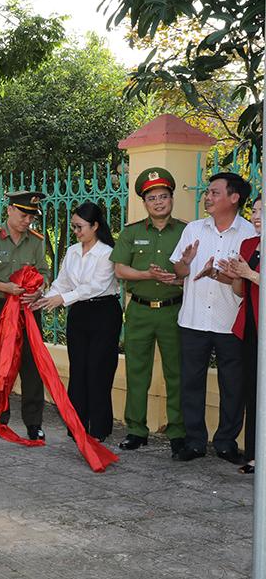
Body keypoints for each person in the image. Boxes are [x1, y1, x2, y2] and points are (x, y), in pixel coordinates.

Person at [170, 172, 255, 463]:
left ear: (234, 198)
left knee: (233, 385)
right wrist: (186, 262)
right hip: (193, 320)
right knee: (191, 382)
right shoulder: (193, 229)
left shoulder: (249, 234)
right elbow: (179, 273)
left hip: (229, 321)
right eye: (207, 192)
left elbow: (248, 289)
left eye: (215, 192)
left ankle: (226, 442)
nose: (207, 197)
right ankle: (195, 442)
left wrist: (229, 276)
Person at [110, 168, 187, 455]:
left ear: (171, 199)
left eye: (163, 196)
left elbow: (195, 270)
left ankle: (178, 431)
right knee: (136, 371)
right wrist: (148, 275)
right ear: (145, 202)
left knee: (176, 372)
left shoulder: (185, 231)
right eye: (152, 197)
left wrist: (175, 278)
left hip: (173, 311)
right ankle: (136, 429)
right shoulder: (131, 232)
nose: (158, 202)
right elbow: (120, 269)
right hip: (140, 310)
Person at [32, 202, 121, 442]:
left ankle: (99, 428)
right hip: (79, 313)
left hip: (104, 312)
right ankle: (76, 425)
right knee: (79, 368)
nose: (77, 232)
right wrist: (45, 299)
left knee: (98, 369)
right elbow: (63, 282)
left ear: (95, 226)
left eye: (81, 227)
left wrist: (62, 299)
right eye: (73, 227)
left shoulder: (107, 252)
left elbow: (97, 286)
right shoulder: (72, 251)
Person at [0, 191, 50, 441]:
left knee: (32, 366)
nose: (27, 221)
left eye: (31, 216)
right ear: (9, 210)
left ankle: (34, 422)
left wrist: (39, 289)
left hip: (27, 310)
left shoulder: (36, 241)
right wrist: (6, 288)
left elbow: (44, 271)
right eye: (23, 214)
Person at [222, 194, 262, 474]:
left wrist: (250, 274)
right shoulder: (250, 245)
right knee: (253, 392)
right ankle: (254, 455)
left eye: (262, 210)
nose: (256, 215)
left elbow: (254, 279)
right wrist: (235, 274)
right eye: (255, 210)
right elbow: (240, 291)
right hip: (250, 324)